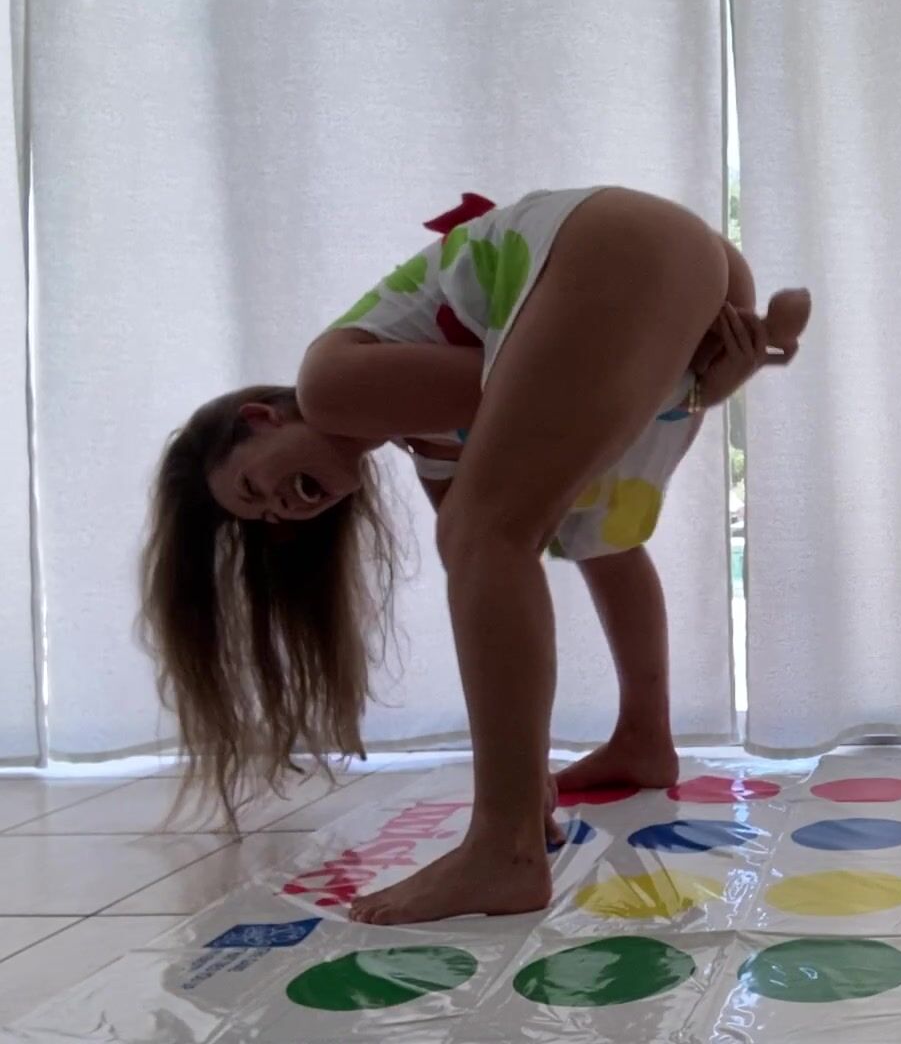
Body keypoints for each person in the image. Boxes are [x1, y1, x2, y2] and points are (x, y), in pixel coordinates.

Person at [140, 186, 809, 925]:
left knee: (483, 533)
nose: (281, 510)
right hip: (665, 266)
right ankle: (642, 740)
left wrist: (689, 383)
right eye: (266, 518)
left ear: (261, 419)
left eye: (252, 487)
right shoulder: (429, 447)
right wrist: (697, 388)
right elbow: (564, 415)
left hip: (613, 246)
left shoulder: (326, 385)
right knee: (588, 531)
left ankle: (504, 846)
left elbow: (529, 387)